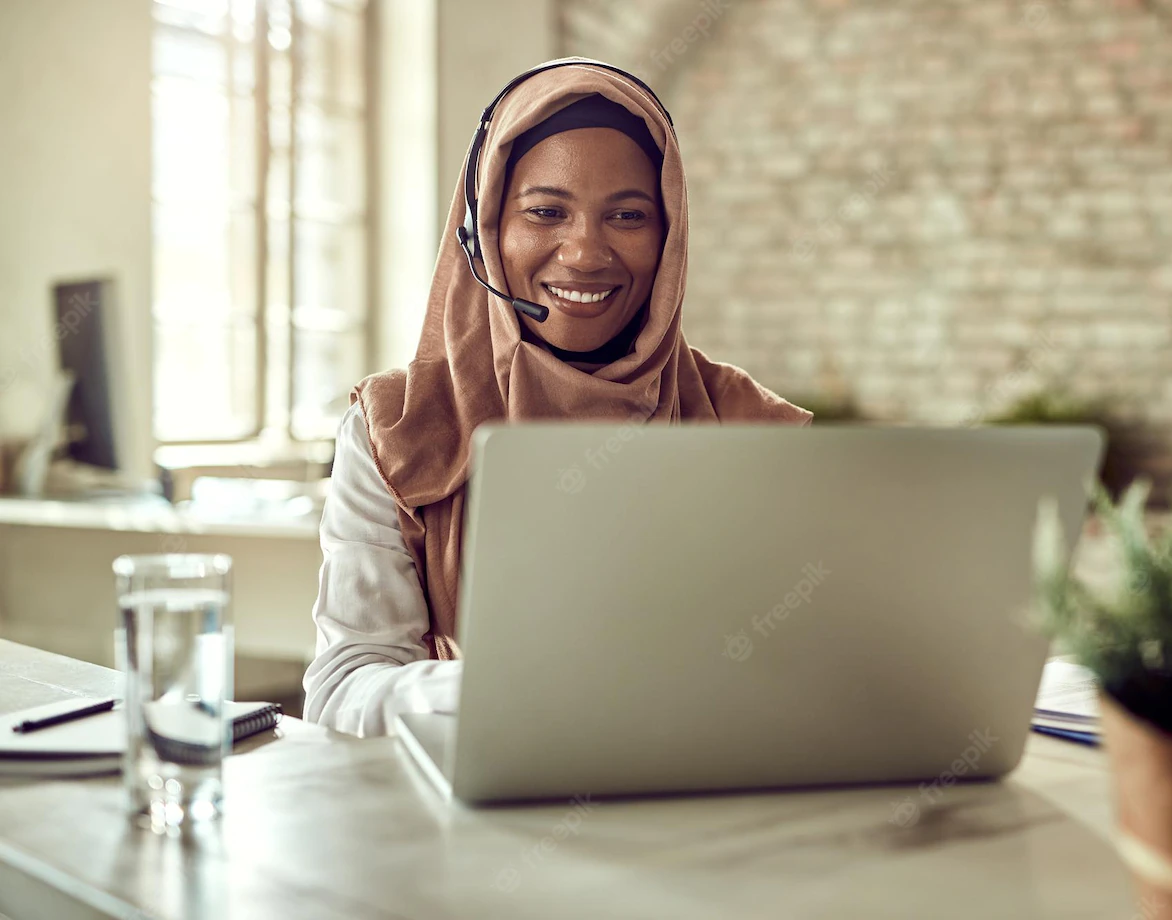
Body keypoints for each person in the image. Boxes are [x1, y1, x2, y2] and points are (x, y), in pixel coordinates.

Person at [303, 60, 810, 737]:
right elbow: (341, 693)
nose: (584, 253)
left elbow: (809, 672)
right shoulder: (394, 428)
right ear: (483, 232)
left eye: (628, 215)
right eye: (545, 212)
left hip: (698, 814)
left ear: (671, 238)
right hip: (464, 826)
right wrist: (511, 688)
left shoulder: (752, 424)